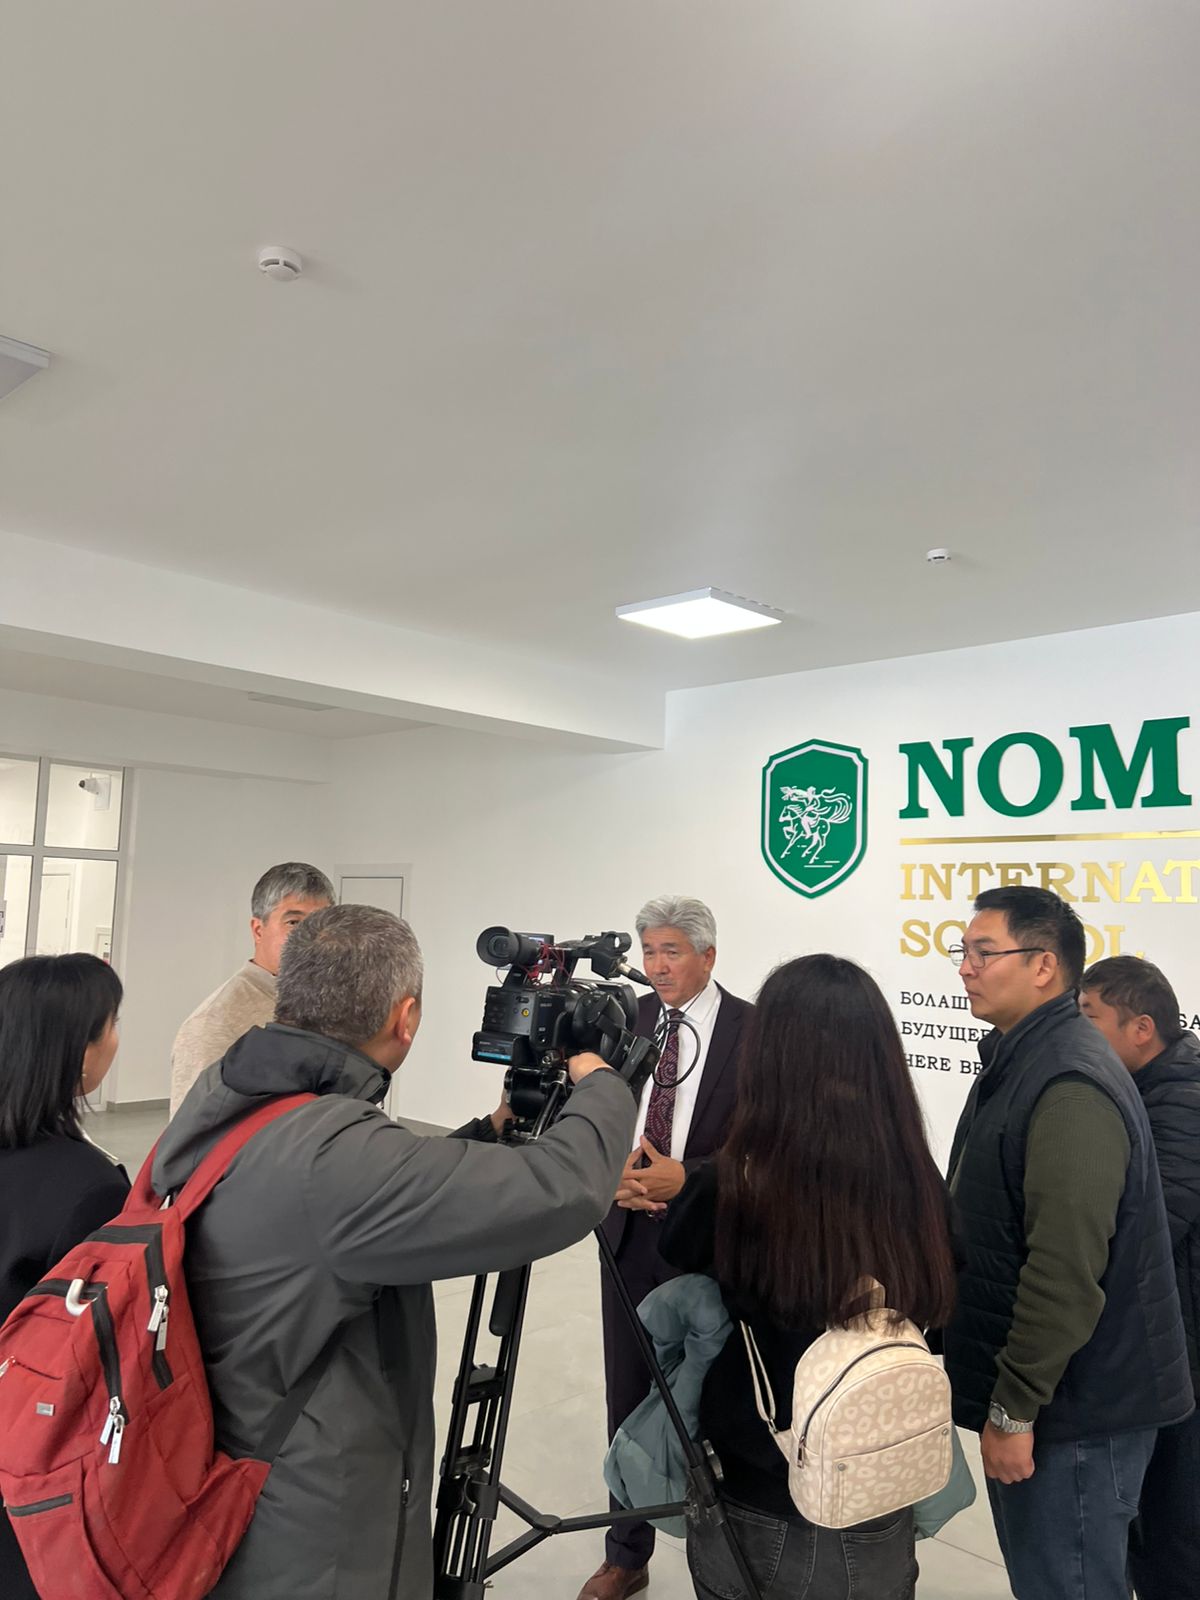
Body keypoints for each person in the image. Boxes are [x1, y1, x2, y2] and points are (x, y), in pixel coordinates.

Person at [151, 903, 637, 1600]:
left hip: (225, 1454)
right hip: (310, 1524)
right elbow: (565, 1189)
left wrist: (491, 1129)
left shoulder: (236, 1086)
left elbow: (366, 1196)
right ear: (404, 1017)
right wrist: (602, 1081)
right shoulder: (334, 1159)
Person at [660, 953, 956, 1600]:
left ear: (770, 1056)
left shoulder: (735, 1182)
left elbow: (676, 1247)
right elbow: (941, 1306)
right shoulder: (919, 1179)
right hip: (880, 1484)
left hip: (762, 1486)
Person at [944, 887, 1192, 1600]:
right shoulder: (1021, 1058)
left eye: (983, 951)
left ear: (1044, 965)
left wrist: (1013, 1408)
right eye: (963, 950)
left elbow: (1065, 1268)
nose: (965, 967)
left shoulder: (1068, 1081)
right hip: (1062, 1400)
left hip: (1076, 1412)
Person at [578, 895, 751, 1600]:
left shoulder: (753, 1031)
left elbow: (767, 1144)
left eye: (671, 951)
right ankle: (627, 1552)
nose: (656, 966)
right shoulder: (629, 1020)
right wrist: (606, 1170)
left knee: (715, 1401)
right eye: (649, 952)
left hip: (708, 1240)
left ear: (708, 955)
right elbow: (594, 1112)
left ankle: (729, 1555)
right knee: (627, 1392)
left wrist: (692, 1179)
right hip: (627, 1233)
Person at [0, 953, 129, 1600]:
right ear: (78, 1052)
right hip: (26, 1471)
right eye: (111, 1025)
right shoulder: (90, 1188)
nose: (116, 1040)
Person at [1080, 955, 1200, 1600]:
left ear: (1142, 1028)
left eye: (1089, 1017)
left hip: (1182, 1351)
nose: (1078, 1032)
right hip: (1167, 1343)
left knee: (1171, 1526)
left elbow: (1152, 1225)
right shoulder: (1147, 1089)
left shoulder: (1181, 1102)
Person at [169, 861, 334, 1113]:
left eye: (320, 923)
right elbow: (193, 1131)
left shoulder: (330, 1004)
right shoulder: (214, 1023)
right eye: (294, 923)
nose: (311, 937)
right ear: (258, 930)